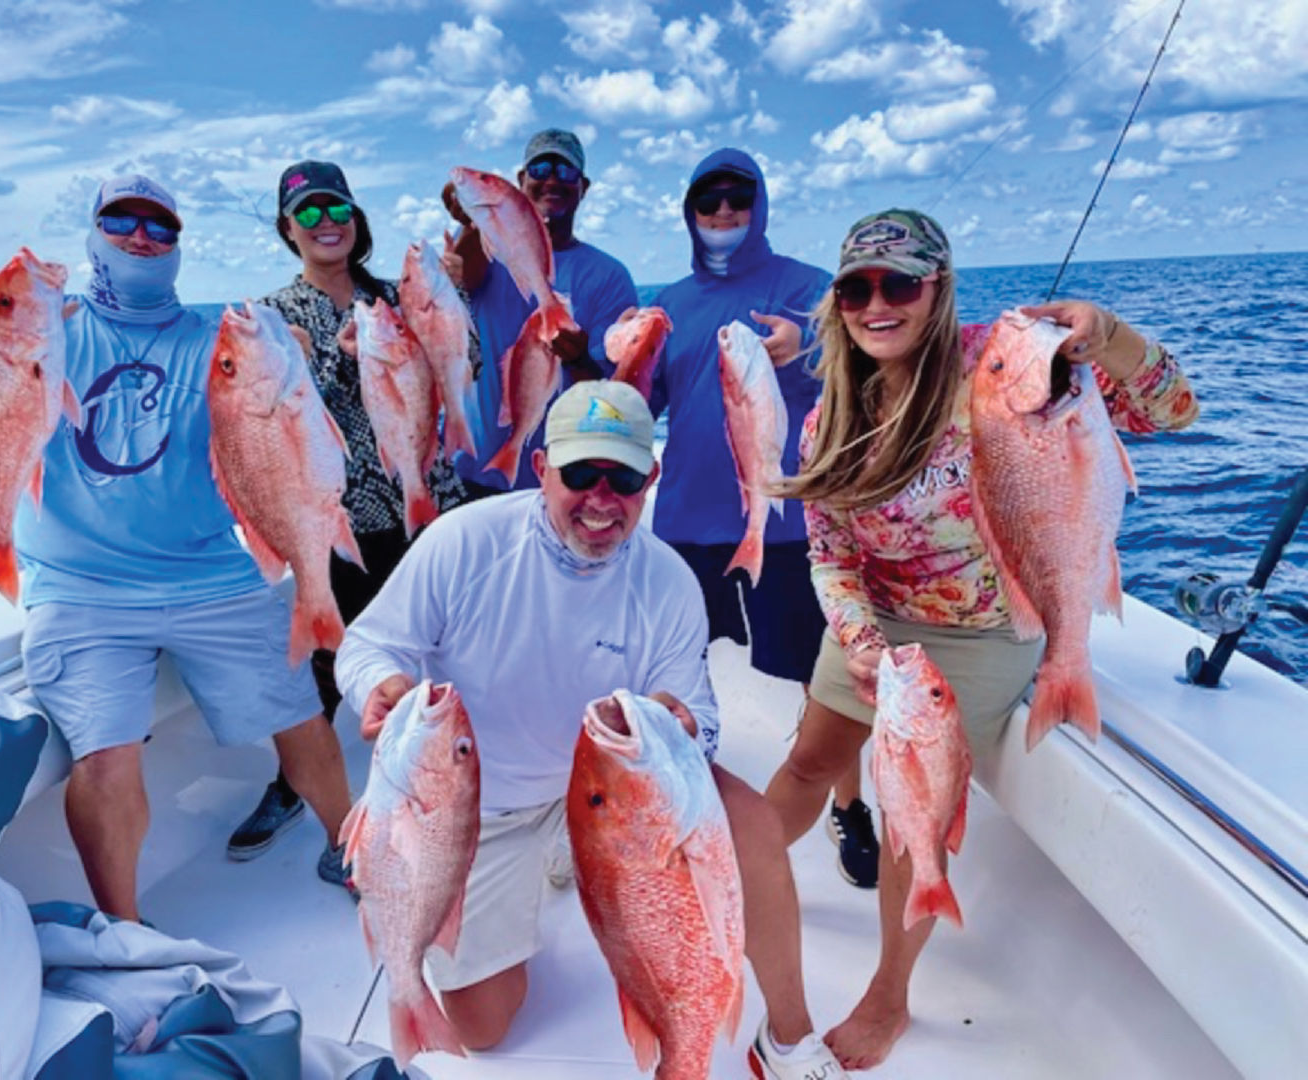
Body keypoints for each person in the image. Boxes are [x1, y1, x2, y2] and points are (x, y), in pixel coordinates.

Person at [763, 208, 1200, 1069]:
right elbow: (829, 551)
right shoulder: (829, 419)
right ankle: (732, 874)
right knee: (811, 761)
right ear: (837, 301)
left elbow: (1175, 409)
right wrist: (856, 639)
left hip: (987, 630)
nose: (877, 304)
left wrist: (1108, 336)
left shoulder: (1009, 362)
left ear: (939, 288)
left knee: (910, 816)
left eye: (901, 284)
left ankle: (889, 992)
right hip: (874, 625)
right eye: (857, 287)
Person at [335, 380, 849, 1079]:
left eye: (625, 478)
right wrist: (380, 687)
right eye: (581, 474)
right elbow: (369, 646)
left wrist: (679, 724)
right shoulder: (464, 541)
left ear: (652, 479)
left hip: (617, 796)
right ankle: (544, 875)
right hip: (482, 808)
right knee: (483, 1028)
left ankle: (787, 1037)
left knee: (751, 822)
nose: (602, 499)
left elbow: (699, 717)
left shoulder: (666, 580)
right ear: (542, 468)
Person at [15, 174, 355, 921]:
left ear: (177, 245)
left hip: (210, 571)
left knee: (302, 712)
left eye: (160, 226)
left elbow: (274, 442)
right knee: (103, 755)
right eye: (122, 220)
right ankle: (127, 930)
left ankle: (351, 847)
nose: (142, 236)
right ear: (94, 233)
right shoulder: (47, 334)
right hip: (81, 592)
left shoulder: (213, 346)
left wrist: (286, 356)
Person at [226, 160, 469, 871]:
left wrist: (447, 301)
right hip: (335, 515)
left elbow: (467, 364)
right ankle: (297, 783)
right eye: (307, 213)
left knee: (439, 648)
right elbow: (267, 420)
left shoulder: (402, 296)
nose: (326, 221)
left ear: (357, 219)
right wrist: (331, 362)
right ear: (287, 228)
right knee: (330, 660)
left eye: (337, 208)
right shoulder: (271, 320)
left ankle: (447, 780)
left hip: (424, 502)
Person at [650, 147, 880, 888]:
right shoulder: (671, 303)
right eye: (706, 202)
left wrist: (809, 347)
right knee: (674, 669)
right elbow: (641, 400)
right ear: (689, 214)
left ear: (761, 204)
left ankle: (849, 805)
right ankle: (682, 797)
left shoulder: (810, 289)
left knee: (825, 677)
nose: (722, 214)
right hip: (684, 521)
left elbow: (875, 363)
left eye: (736, 199)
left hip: (786, 526)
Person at [440, 127, 639, 496]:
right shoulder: (483, 246)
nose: (552, 179)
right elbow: (463, 280)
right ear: (519, 180)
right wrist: (471, 218)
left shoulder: (611, 277)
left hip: (567, 481)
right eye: (540, 168)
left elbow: (612, 395)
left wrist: (578, 358)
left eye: (566, 172)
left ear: (584, 187)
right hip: (471, 472)